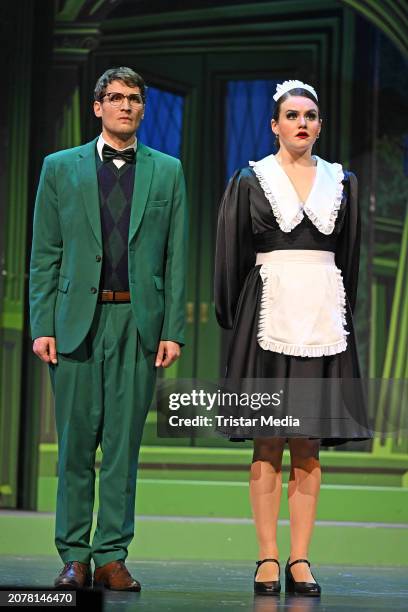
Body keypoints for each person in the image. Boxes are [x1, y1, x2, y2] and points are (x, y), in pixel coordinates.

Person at [29, 67, 188, 591]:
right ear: (97, 107)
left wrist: (172, 328)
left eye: (134, 99)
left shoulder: (167, 171)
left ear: (143, 109)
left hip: (137, 323)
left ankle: (111, 556)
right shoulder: (60, 168)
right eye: (115, 98)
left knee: (123, 446)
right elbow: (45, 253)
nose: (125, 105)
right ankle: (74, 555)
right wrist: (42, 322)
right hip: (77, 322)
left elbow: (175, 257)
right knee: (76, 444)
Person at [214, 80, 372, 597]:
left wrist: (346, 316)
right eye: (292, 114)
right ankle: (266, 556)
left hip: (323, 316)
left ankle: (300, 558)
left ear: (319, 125)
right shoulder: (251, 179)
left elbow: (350, 257)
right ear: (275, 125)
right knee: (268, 438)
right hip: (267, 315)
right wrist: (234, 322)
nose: (302, 122)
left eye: (310, 115)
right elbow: (231, 257)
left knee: (307, 443)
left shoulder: (341, 181)